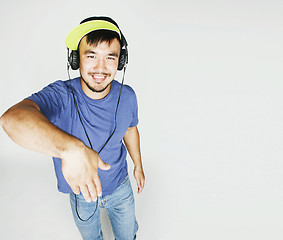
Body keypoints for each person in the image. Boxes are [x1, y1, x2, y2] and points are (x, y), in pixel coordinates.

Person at [0, 16, 145, 240]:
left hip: (120, 186)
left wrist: (138, 165)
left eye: (110, 57)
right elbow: (11, 119)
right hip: (81, 194)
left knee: (128, 237)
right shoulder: (61, 95)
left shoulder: (127, 96)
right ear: (76, 59)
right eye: (91, 56)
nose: (100, 67)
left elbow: (130, 129)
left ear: (121, 61)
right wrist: (71, 149)